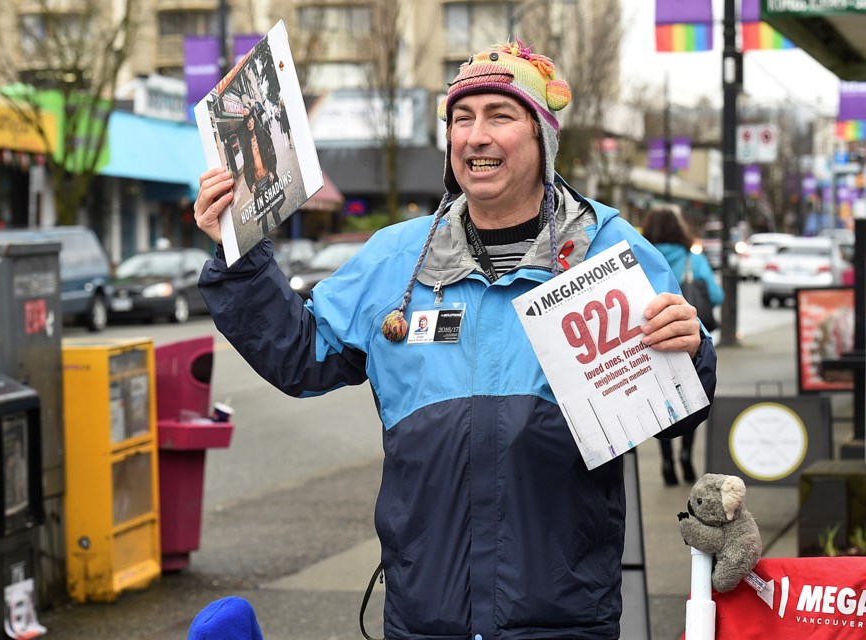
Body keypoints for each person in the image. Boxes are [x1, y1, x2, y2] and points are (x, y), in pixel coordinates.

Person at [194, 40, 717, 640]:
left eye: (500, 115)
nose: (476, 136)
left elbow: (674, 410)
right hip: (425, 613)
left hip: (563, 616)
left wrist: (692, 352)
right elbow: (299, 355)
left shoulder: (607, 250)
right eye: (461, 119)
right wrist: (240, 257)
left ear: (542, 136)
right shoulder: (396, 257)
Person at [642, 205, 724, 486]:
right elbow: (715, 294)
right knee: (690, 396)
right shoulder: (692, 259)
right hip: (687, 342)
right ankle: (687, 456)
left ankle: (666, 461)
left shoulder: (639, 254)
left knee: (660, 401)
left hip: (649, 342)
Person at [239, 104, 281, 234]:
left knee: (274, 210)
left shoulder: (262, 133)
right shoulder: (246, 144)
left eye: (251, 119)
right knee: (263, 217)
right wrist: (250, 184)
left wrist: (273, 171)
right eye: (247, 121)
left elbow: (272, 152)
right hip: (257, 184)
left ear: (254, 119)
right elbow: (246, 166)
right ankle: (266, 240)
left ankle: (281, 238)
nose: (249, 122)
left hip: (268, 178)